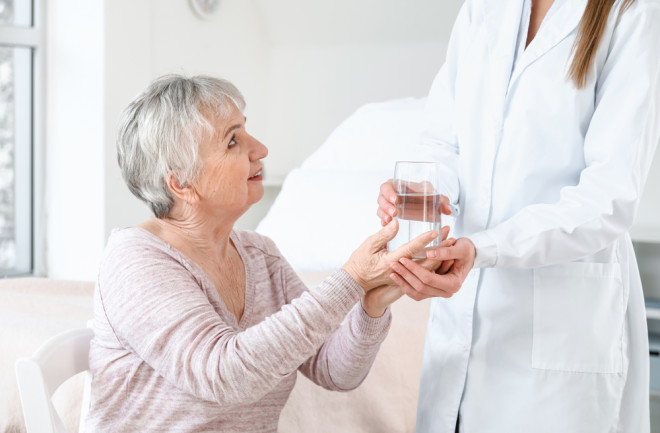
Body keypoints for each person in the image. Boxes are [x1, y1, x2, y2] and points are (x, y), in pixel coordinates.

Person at [86, 75, 450, 432]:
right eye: (232, 141)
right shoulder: (136, 261)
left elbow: (335, 371)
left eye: (246, 131)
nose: (260, 149)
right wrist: (350, 279)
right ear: (182, 183)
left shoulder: (260, 256)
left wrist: (371, 304)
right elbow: (225, 375)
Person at [377, 0, 659, 432]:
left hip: (562, 327)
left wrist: (484, 248)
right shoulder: (484, 8)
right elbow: (442, 140)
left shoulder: (633, 12)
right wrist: (422, 190)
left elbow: (609, 196)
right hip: (464, 314)